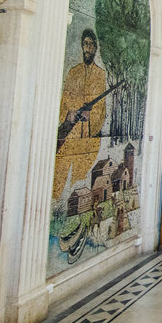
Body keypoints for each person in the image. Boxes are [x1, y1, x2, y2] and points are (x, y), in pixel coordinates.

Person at [55, 28, 108, 198]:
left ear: (95, 48)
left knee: (80, 178)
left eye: (91, 45)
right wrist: (68, 115)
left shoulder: (100, 74)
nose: (88, 49)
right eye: (85, 44)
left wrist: (90, 117)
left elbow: (101, 108)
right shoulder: (73, 72)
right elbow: (64, 100)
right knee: (60, 173)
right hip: (70, 134)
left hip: (87, 139)